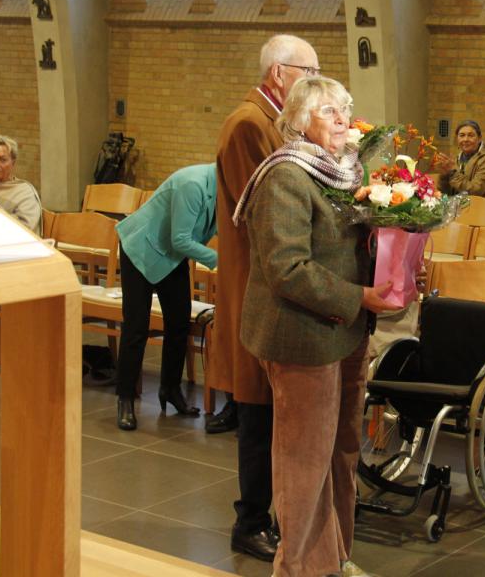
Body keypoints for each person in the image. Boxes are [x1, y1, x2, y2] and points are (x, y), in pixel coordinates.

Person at [236, 75, 397, 577]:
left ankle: (337, 557)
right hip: (301, 335)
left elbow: (351, 249)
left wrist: (395, 265)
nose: (343, 118)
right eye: (328, 111)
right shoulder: (286, 175)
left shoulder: (347, 171)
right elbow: (287, 268)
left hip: (345, 332)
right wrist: (361, 296)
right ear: (299, 121)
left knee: (343, 450)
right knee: (304, 460)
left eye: (345, 108)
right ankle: (300, 567)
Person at [210, 33, 320, 562]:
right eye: (309, 71)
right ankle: (249, 520)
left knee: (273, 411)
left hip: (273, 285)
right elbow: (268, 209)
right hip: (257, 285)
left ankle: (277, 513)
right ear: (279, 73)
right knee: (255, 410)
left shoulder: (272, 122)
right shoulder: (248, 125)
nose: (315, 82)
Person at [113, 163, 218, 429]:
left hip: (171, 258)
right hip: (141, 249)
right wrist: (222, 261)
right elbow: (180, 239)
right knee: (137, 326)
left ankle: (170, 390)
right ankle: (125, 399)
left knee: (179, 323)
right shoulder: (193, 184)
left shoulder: (226, 188)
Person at [437, 119, 485, 201]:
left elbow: (476, 191)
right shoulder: (458, 158)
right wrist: (444, 176)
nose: (465, 139)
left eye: (471, 135)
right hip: (462, 207)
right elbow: (448, 193)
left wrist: (453, 173)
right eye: (462, 135)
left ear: (479, 138)